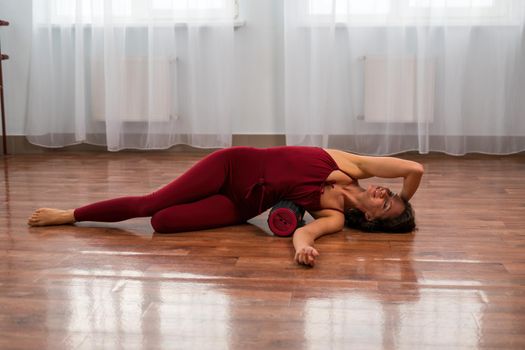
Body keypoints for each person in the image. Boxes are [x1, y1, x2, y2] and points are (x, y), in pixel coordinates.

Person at [28, 146, 424, 267]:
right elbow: (414, 168)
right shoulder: (350, 164)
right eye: (390, 194)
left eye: (387, 206)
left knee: (164, 224)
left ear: (371, 220)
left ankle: (80, 215)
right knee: (152, 205)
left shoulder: (334, 216)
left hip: (241, 205)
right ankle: (70, 214)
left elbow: (306, 231)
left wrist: (301, 247)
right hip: (232, 165)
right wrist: (406, 199)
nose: (384, 195)